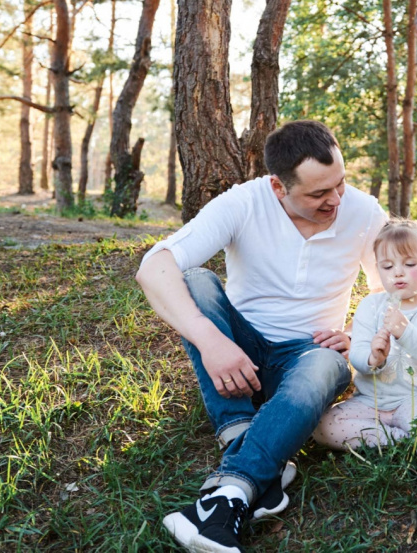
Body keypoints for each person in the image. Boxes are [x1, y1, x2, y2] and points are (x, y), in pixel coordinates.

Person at [135, 120, 387, 553]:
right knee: (195, 281)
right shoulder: (243, 202)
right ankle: (246, 436)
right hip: (237, 352)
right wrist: (212, 341)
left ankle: (232, 488)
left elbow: (393, 291)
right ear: (278, 187)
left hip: (309, 357)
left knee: (330, 364)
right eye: (318, 194)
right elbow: (153, 267)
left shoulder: (363, 213)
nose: (336, 200)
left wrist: (355, 334)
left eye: (340, 184)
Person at [312, 219, 417, 501]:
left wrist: (406, 332)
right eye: (388, 266)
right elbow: (357, 354)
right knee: (324, 426)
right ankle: (404, 441)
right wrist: (372, 357)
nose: (398, 273)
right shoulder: (370, 307)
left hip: (416, 399)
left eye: (409, 264)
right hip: (371, 402)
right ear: (378, 269)